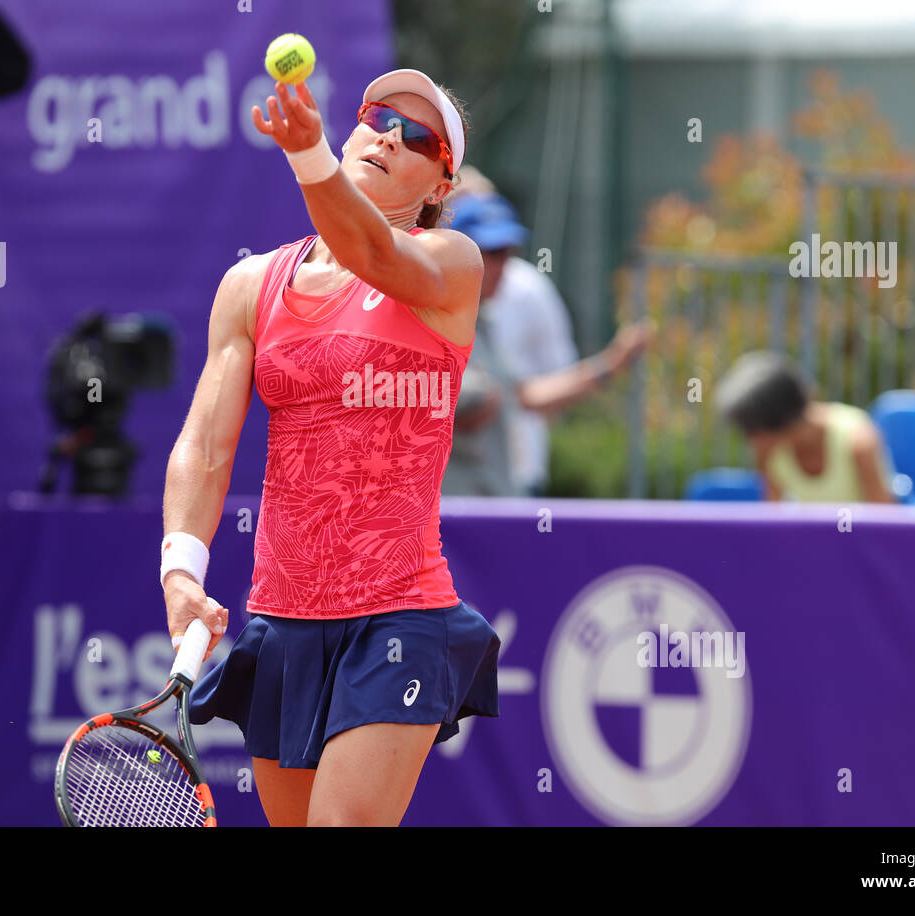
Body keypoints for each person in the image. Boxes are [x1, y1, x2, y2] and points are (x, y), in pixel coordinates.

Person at [158, 68, 500, 826]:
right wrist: (181, 569)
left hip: (401, 615)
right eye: (379, 117)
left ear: (439, 185)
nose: (388, 136)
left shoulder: (451, 264)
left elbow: (375, 257)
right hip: (282, 618)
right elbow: (206, 446)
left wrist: (307, 155)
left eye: (417, 137)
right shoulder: (250, 286)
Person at [441, 192, 653, 496]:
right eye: (490, 251)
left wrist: (611, 364)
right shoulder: (429, 319)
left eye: (507, 252)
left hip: (492, 507)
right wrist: (471, 399)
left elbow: (524, 396)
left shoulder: (483, 322)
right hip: (447, 518)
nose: (503, 265)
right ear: (456, 251)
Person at [714, 351, 895, 503]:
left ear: (778, 420)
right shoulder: (768, 454)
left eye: (753, 431)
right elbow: (772, 519)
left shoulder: (858, 441)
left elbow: (883, 524)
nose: (751, 443)